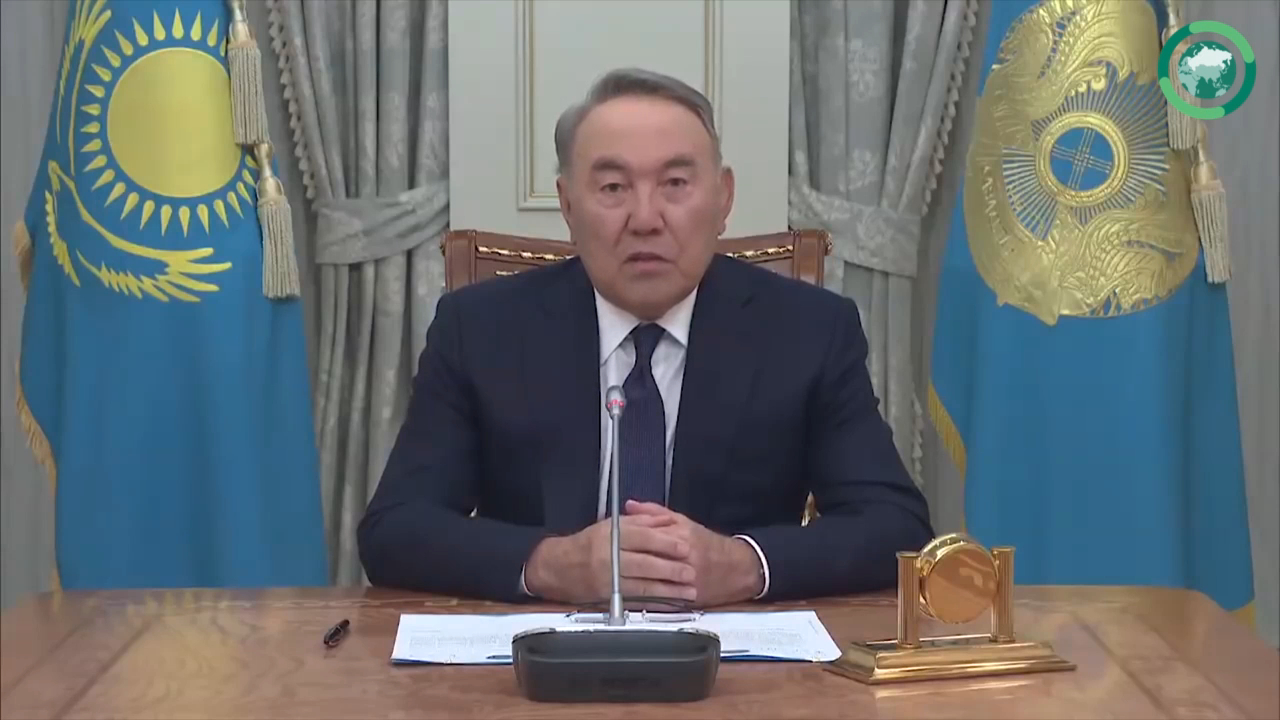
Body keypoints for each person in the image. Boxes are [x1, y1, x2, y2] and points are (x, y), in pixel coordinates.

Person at [358, 68, 933, 607]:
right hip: (539, 659)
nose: (645, 218)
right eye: (613, 187)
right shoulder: (481, 329)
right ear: (567, 205)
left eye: (675, 183)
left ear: (723, 198)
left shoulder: (808, 330)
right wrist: (551, 564)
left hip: (740, 662)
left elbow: (895, 526)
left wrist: (742, 564)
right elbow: (395, 530)